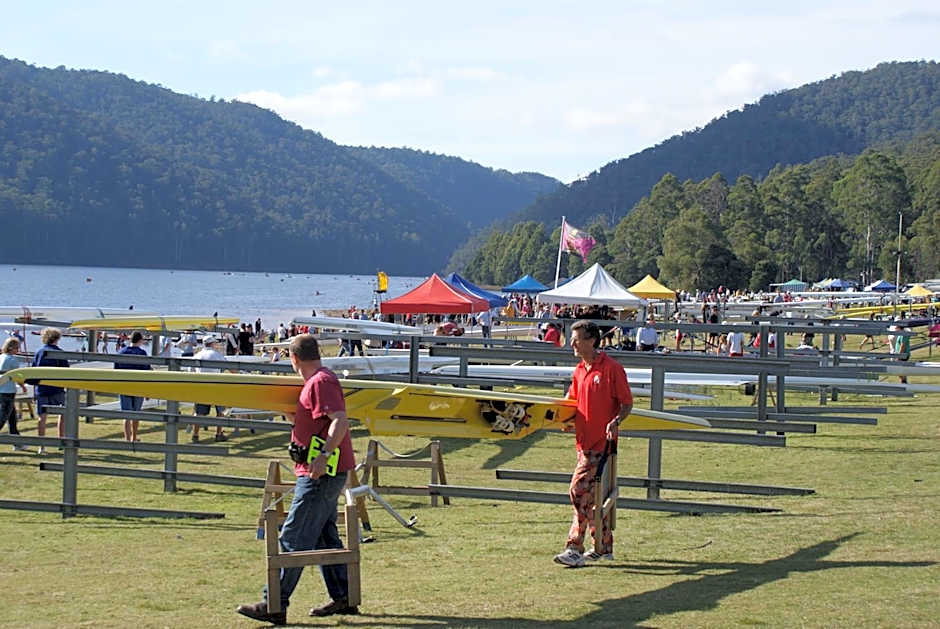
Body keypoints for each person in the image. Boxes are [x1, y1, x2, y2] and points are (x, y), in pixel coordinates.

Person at [237, 334, 358, 624]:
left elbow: (339, 420)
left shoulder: (320, 382)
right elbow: (320, 422)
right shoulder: (317, 381)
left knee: (293, 536)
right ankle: (343, 596)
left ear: (293, 359)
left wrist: (324, 455)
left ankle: (273, 604)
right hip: (322, 470)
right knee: (322, 535)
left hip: (320, 472)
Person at [554, 321, 633, 568]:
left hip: (603, 445)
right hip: (583, 445)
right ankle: (603, 546)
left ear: (592, 340)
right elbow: (572, 400)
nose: (572, 343)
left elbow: (627, 403)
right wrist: (564, 419)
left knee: (578, 492)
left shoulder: (612, 369)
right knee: (592, 497)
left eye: (577, 339)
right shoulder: (579, 370)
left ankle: (574, 547)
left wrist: (616, 421)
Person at [31, 328, 69, 455]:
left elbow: (33, 372)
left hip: (42, 388)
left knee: (42, 417)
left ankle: (41, 446)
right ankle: (61, 441)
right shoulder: (60, 353)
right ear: (57, 338)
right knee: (63, 414)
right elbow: (66, 372)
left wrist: (34, 391)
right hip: (57, 388)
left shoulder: (39, 352)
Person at [115, 331, 151, 442]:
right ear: (140, 340)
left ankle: (127, 438)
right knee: (136, 413)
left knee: (127, 415)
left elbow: (116, 370)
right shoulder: (142, 353)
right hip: (138, 386)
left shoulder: (121, 352)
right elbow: (146, 372)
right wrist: (147, 391)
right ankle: (134, 437)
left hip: (124, 386)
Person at [192, 337, 227, 442]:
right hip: (216, 386)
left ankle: (195, 435)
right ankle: (218, 434)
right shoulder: (217, 355)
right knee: (220, 411)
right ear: (212, 344)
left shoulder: (197, 355)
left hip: (201, 387)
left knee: (199, 413)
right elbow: (229, 366)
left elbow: (191, 371)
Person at [1, 338, 28, 450]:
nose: (18, 350)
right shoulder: (12, 360)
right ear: (11, 348)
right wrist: (23, 386)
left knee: (12, 419)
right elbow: (18, 377)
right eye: (17, 348)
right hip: (8, 392)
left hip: (1, 390)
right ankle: (17, 443)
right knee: (2, 418)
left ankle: (17, 442)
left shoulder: (1, 357)